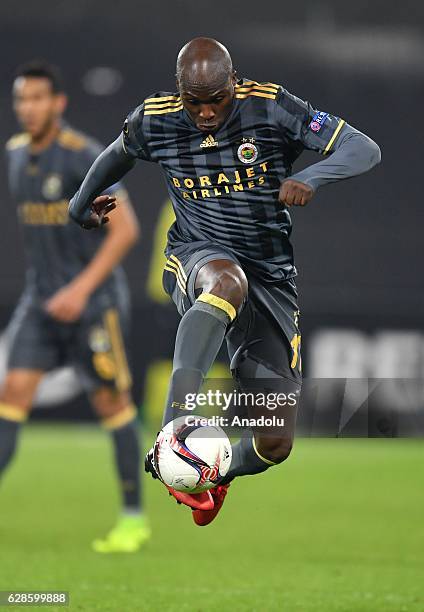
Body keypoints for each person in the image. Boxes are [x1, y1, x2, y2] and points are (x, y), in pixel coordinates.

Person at [68, 38, 381, 526]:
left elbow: (364, 148)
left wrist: (313, 178)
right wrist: (79, 203)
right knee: (225, 281)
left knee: (275, 442)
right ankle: (176, 423)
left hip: (271, 277)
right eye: (196, 103)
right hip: (196, 255)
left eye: (218, 100)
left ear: (233, 82)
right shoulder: (157, 118)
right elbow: (117, 154)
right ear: (180, 92)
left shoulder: (273, 107)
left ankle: (209, 471)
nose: (208, 113)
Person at [1, 61, 150, 551]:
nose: (28, 108)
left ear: (58, 103)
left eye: (38, 98)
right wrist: (51, 291)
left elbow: (126, 230)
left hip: (92, 307)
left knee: (113, 405)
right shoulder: (16, 156)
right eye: (21, 99)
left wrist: (80, 290)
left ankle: (133, 518)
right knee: (10, 397)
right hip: (39, 304)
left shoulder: (82, 155)